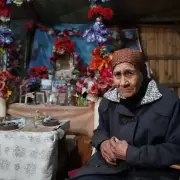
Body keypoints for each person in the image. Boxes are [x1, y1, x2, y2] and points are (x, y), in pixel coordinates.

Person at [71, 48, 180, 180]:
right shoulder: (109, 99)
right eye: (118, 75)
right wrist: (103, 143)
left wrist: (132, 153)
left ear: (142, 73)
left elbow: (176, 149)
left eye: (129, 73)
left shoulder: (168, 101)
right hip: (110, 169)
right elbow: (100, 131)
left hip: (152, 172)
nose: (123, 83)